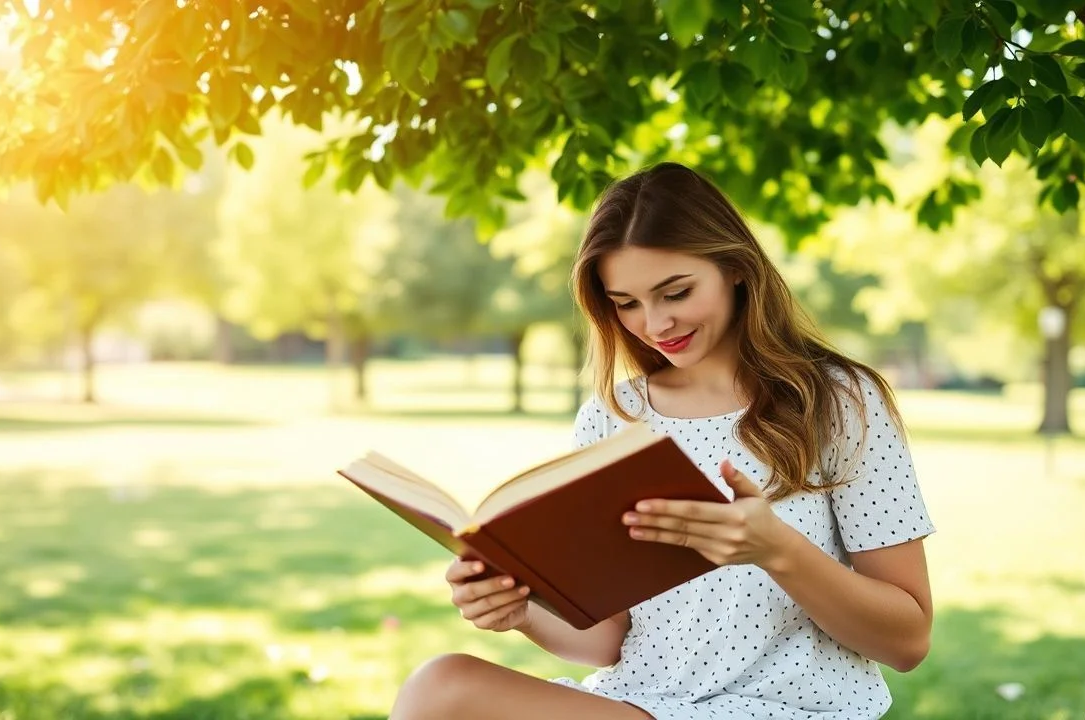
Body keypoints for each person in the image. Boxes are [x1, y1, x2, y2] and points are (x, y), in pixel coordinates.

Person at [388, 162, 936, 720]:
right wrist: (522, 610)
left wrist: (778, 550)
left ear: (736, 269)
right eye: (626, 303)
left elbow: (907, 642)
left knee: (443, 692)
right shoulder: (612, 417)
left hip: (786, 709)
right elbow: (605, 642)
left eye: (675, 292)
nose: (654, 324)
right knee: (442, 684)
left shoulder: (840, 402)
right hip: (644, 701)